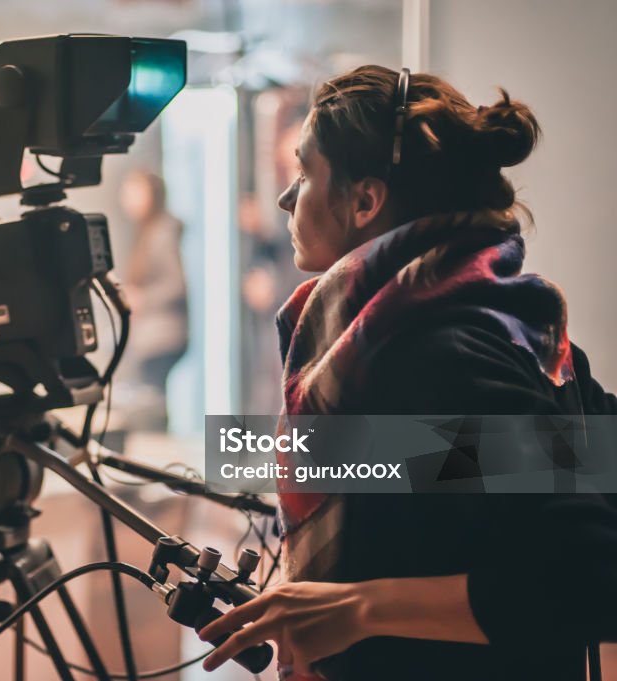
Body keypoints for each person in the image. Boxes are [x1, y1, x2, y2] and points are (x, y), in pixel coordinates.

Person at [199, 66, 617, 680]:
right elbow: (435, 505)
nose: (287, 199)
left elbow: (592, 576)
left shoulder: (433, 352)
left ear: (365, 200)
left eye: (304, 172)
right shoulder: (510, 319)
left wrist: (359, 608)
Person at [118, 169, 188, 426]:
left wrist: (141, 299)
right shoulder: (147, 232)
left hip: (162, 336)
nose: (127, 199)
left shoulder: (161, 233)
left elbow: (175, 284)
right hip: (154, 335)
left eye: (134, 191)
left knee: (152, 407)